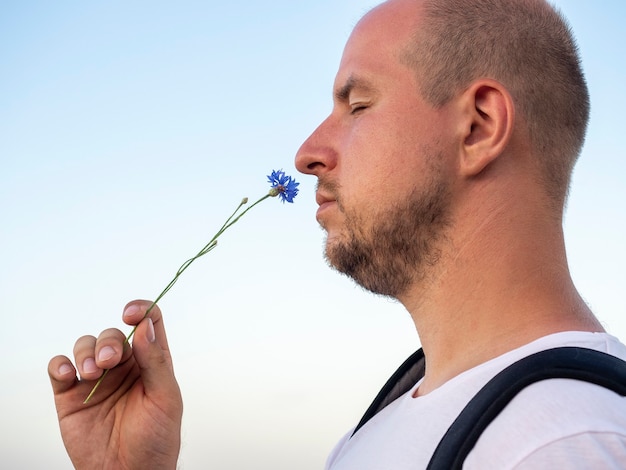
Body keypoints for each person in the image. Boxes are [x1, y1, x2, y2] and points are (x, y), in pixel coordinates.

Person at [48, 0, 626, 468]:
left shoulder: (561, 442)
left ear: (477, 128)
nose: (307, 155)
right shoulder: (392, 417)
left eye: (358, 105)